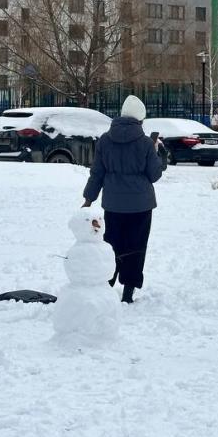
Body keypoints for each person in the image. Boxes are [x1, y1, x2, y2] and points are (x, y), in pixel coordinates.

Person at [82, 95, 166, 303]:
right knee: (136, 246)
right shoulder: (146, 143)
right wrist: (157, 153)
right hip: (141, 205)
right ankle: (128, 291)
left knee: (112, 244)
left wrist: (88, 198)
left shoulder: (105, 140)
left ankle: (107, 285)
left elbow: (97, 173)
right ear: (140, 119)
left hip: (113, 204)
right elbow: (154, 175)